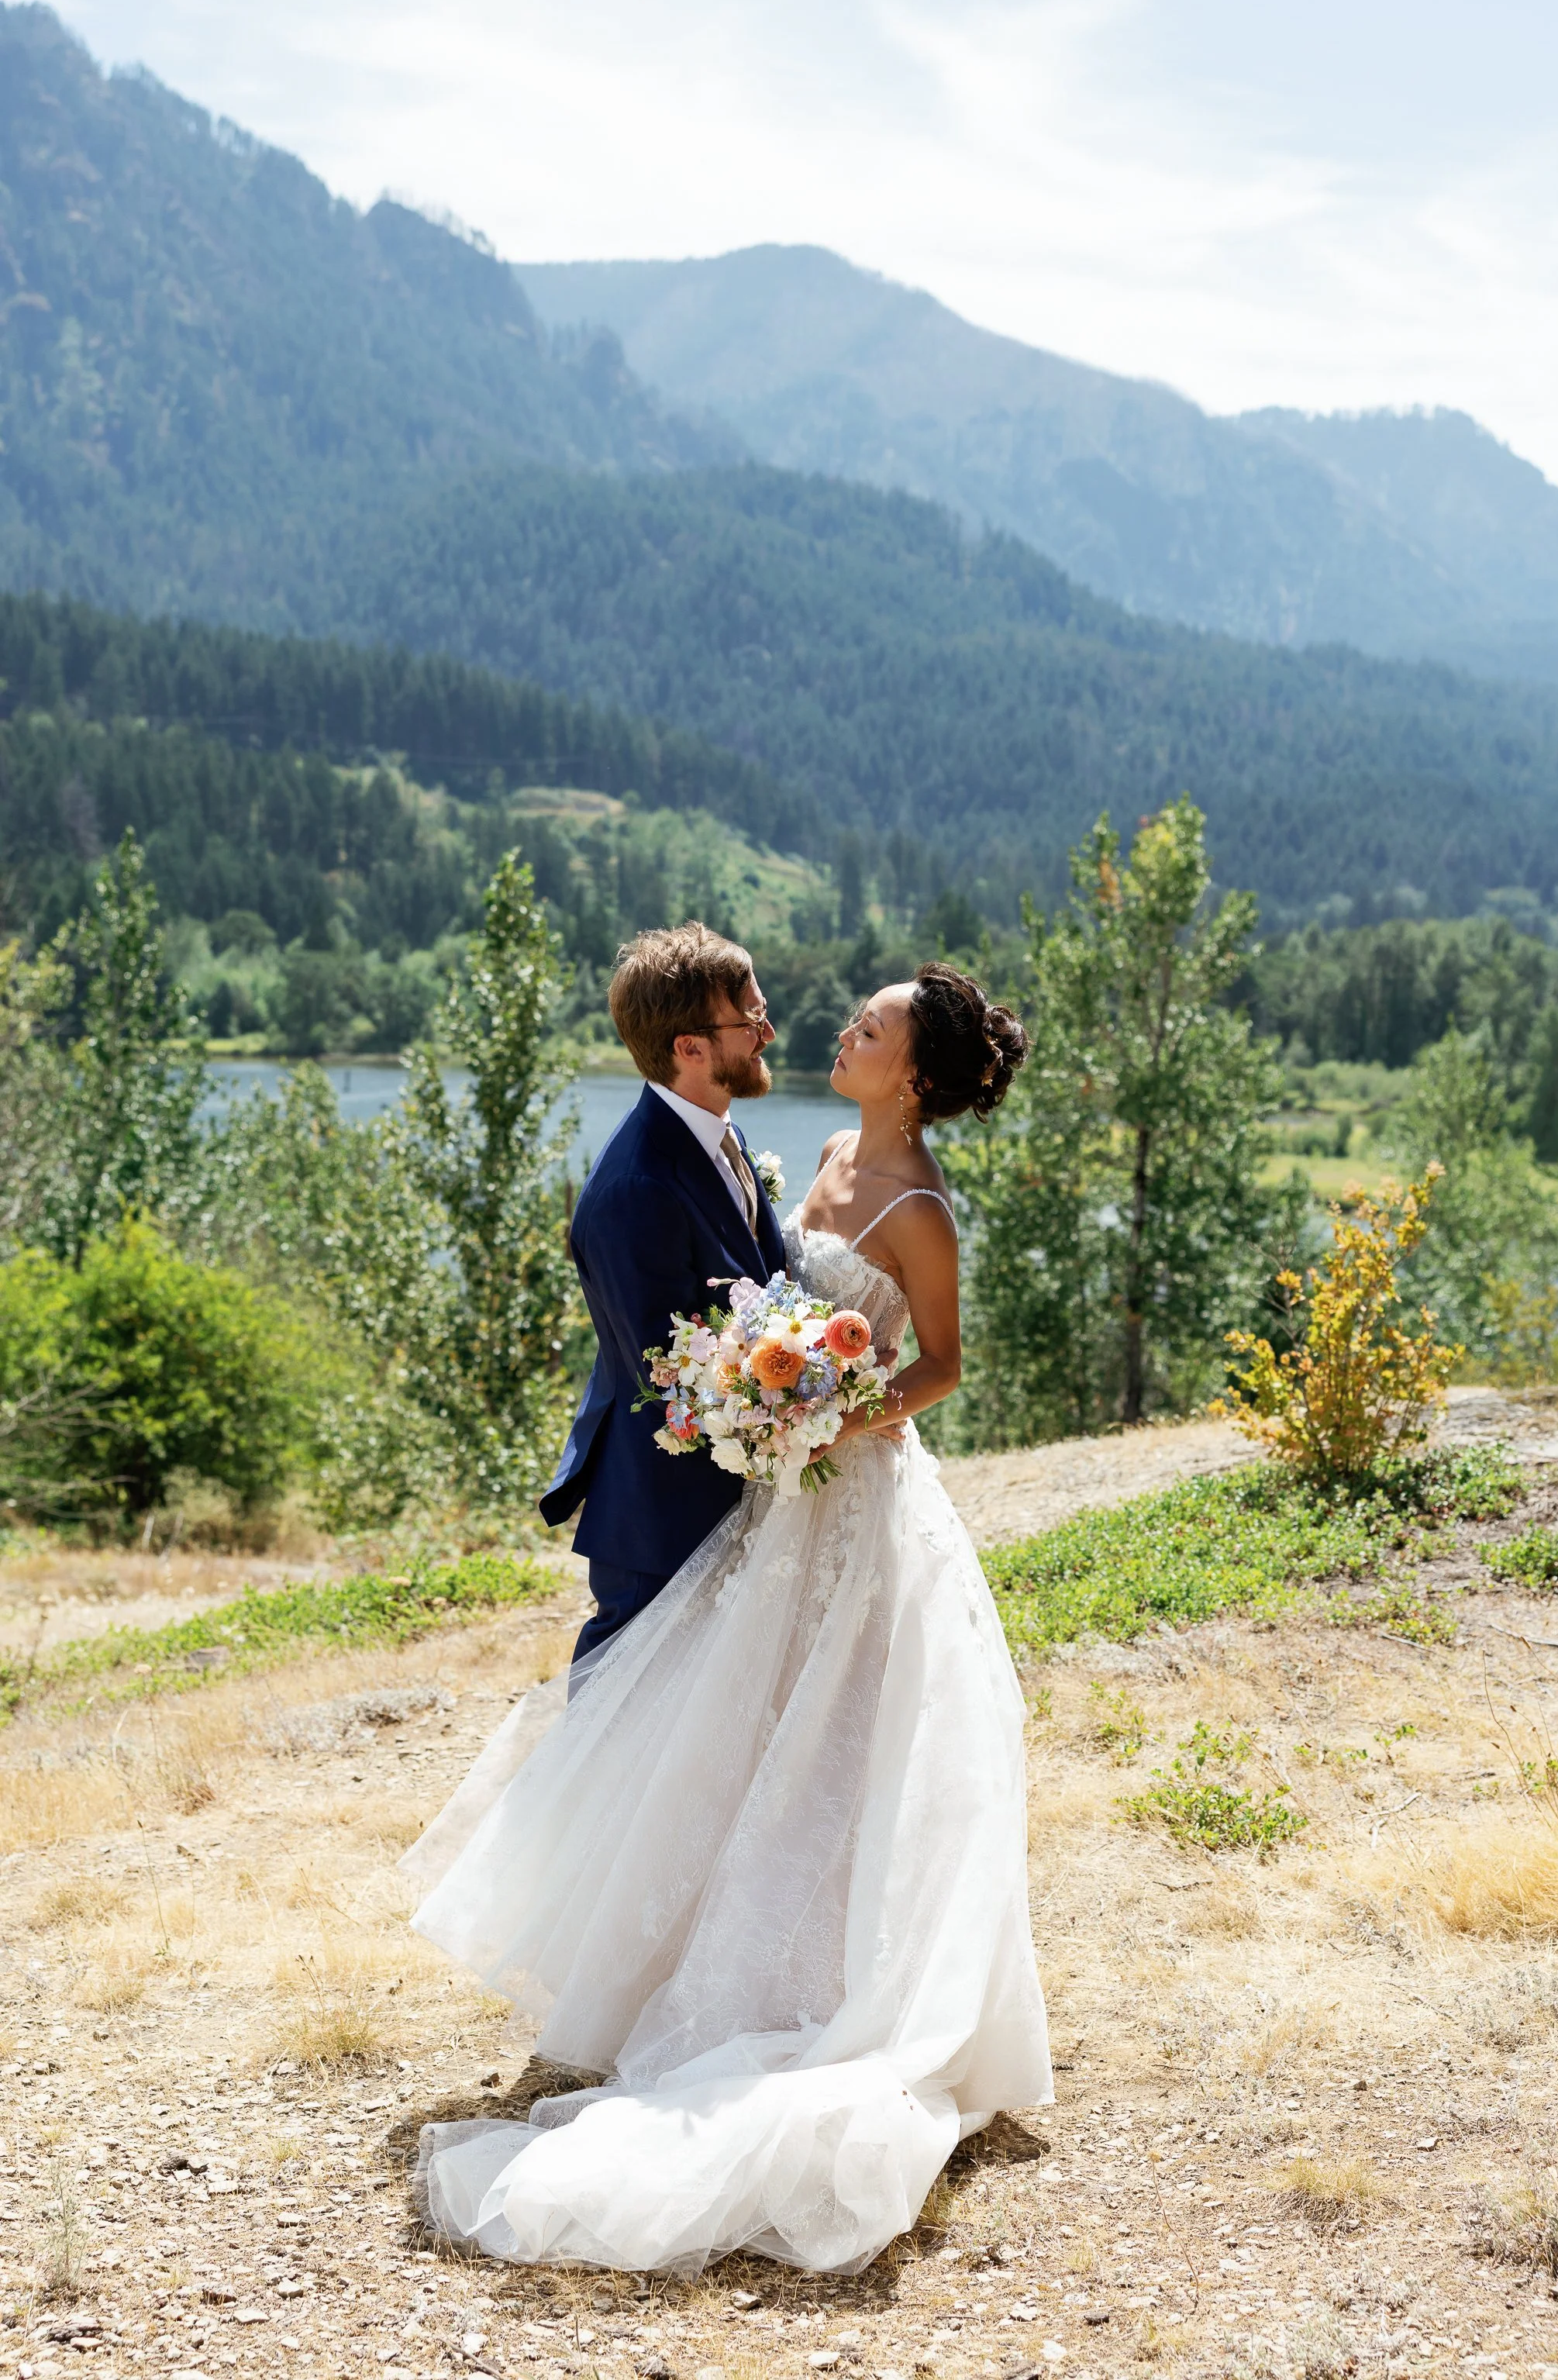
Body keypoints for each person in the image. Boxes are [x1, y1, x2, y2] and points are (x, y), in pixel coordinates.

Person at [402, 957, 1053, 2276]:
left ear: (911, 1070)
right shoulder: (803, 1146)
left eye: (865, 1025)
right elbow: (755, 1307)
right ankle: (668, 1959)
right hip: (777, 1497)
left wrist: (838, 1415)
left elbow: (941, 1358)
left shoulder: (921, 1206)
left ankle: (821, 1979)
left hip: (855, 1493)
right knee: (734, 1715)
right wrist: (780, 1402)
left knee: (848, 1730)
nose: (832, 1028)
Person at [540, 922, 786, 1675]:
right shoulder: (636, 1189)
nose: (768, 1032)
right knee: (623, 1711)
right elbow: (668, 1375)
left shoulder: (718, 1139)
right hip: (663, 1512)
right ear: (690, 1048)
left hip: (736, 1494)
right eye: (749, 1021)